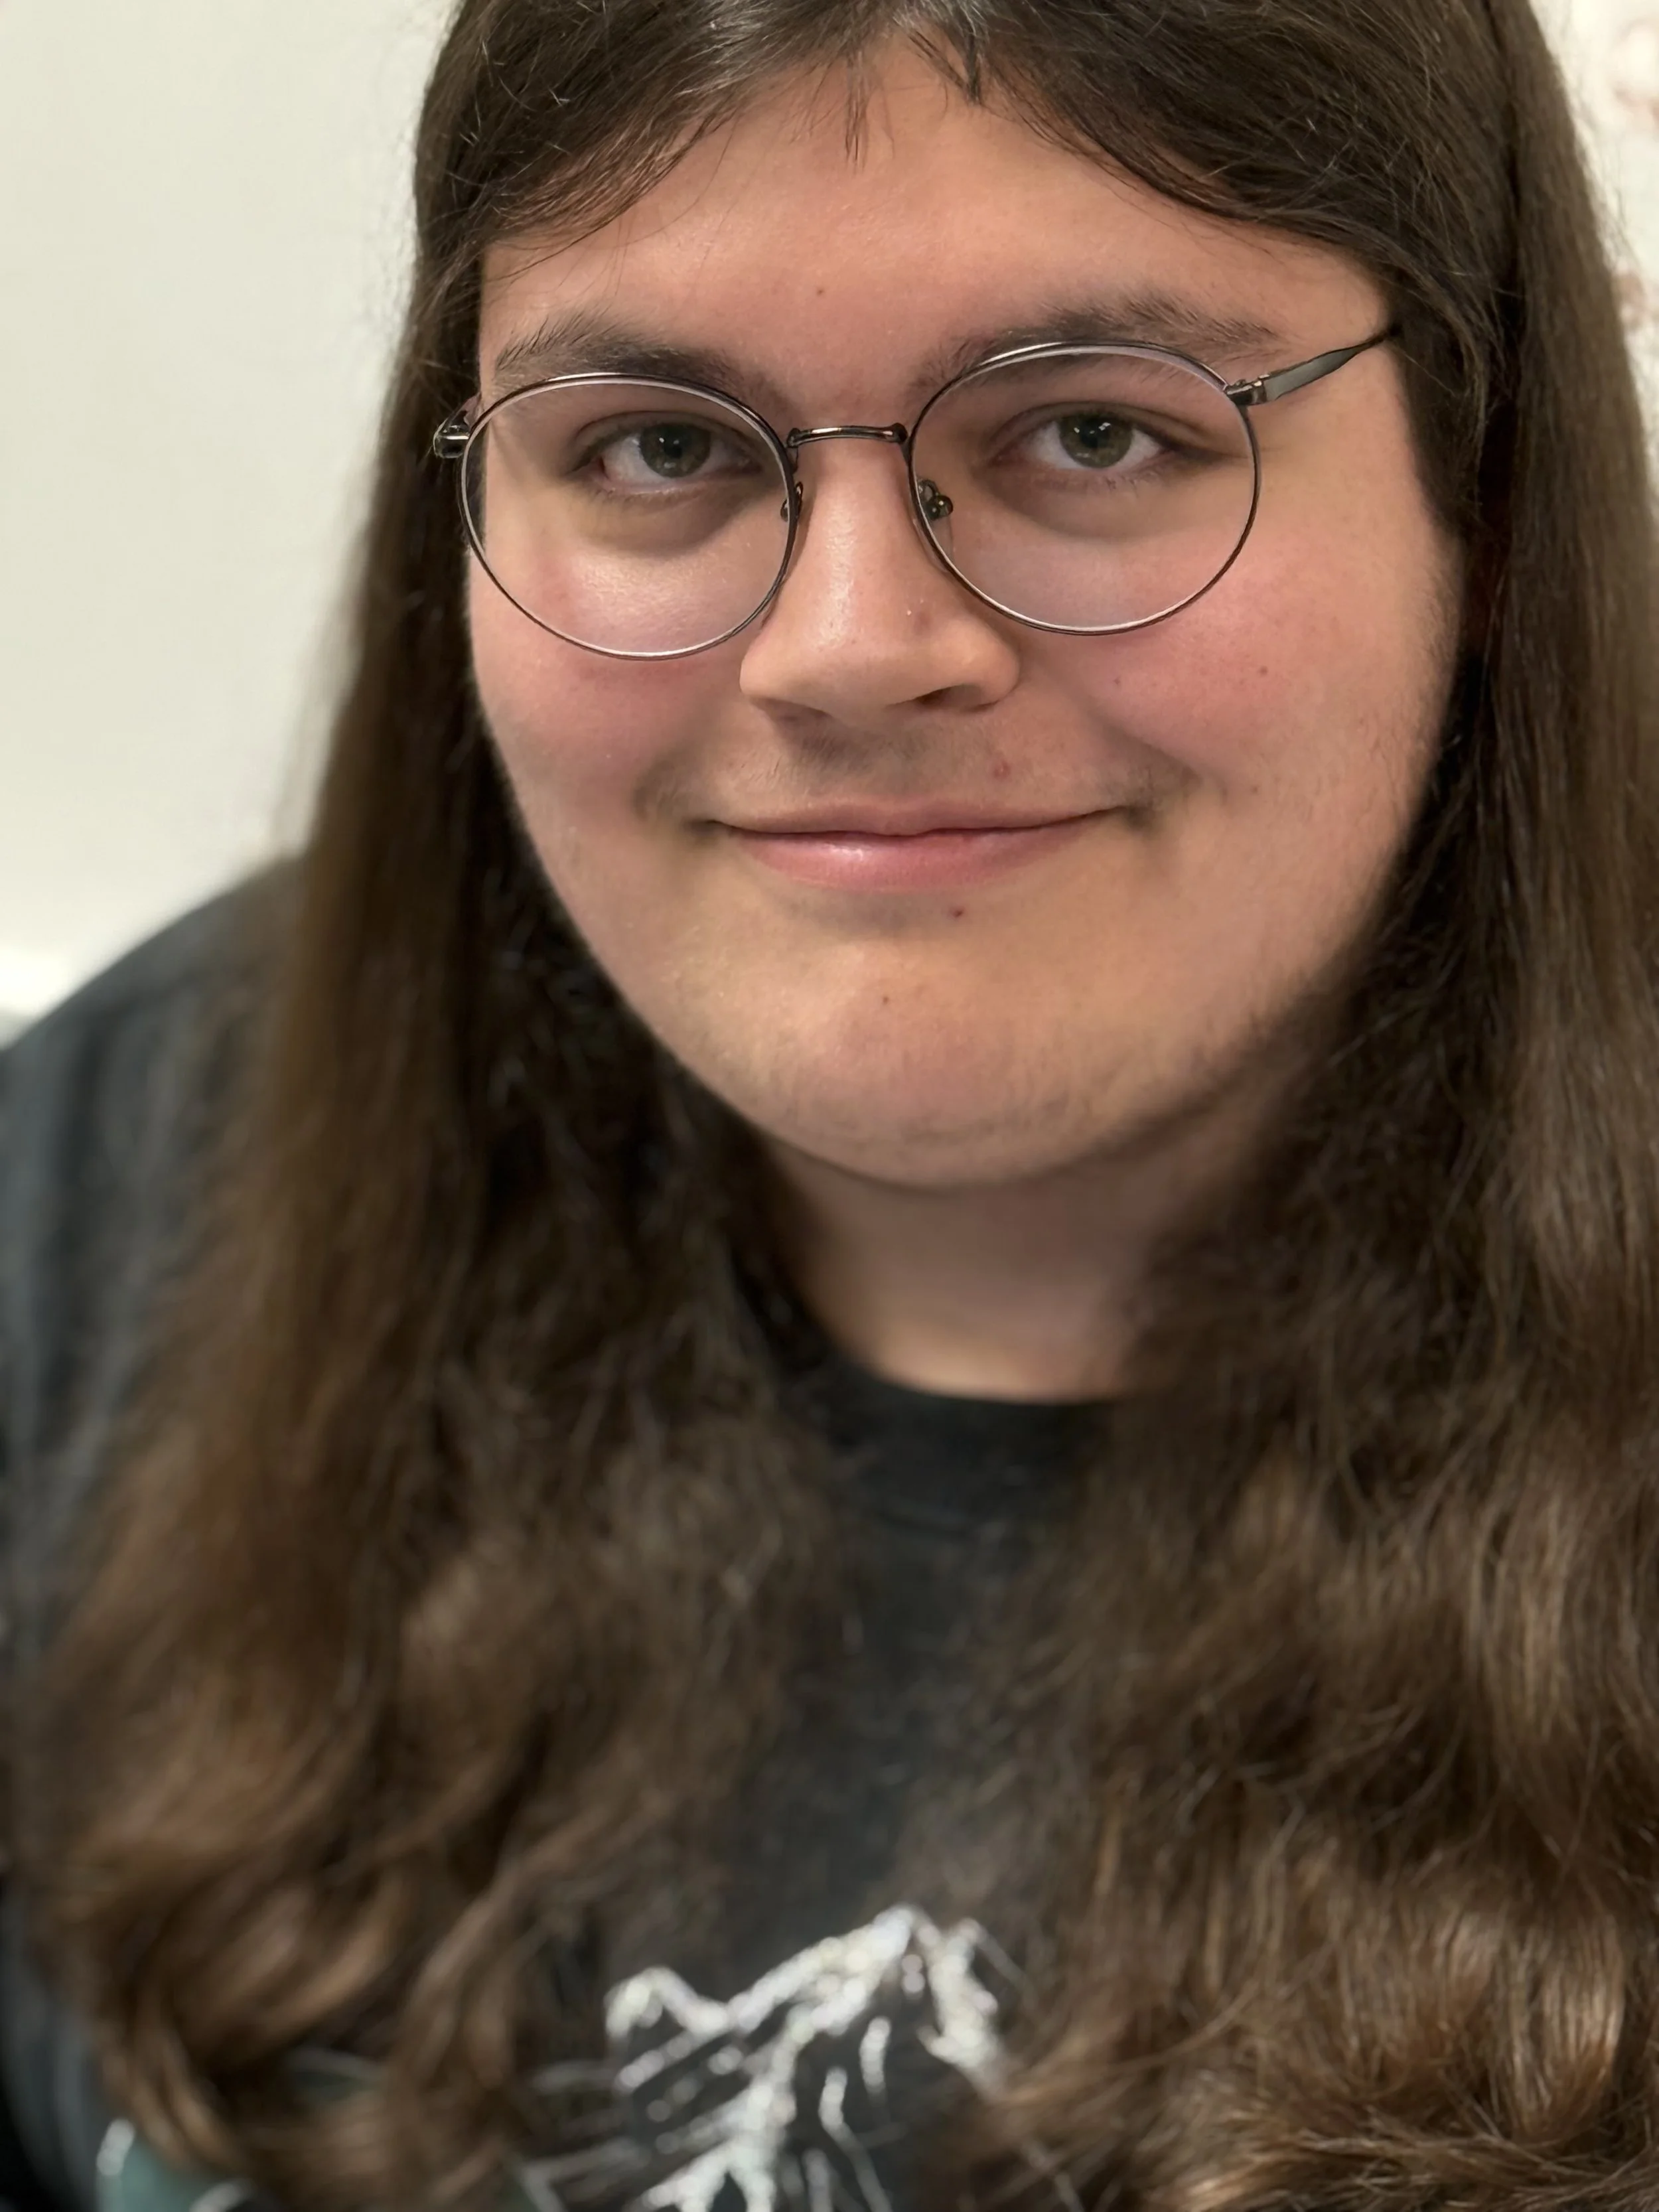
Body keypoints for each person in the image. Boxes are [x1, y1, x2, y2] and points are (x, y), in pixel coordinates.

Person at [3, 0, 1657, 2207]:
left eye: (1090, 429)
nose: (849, 649)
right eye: (662, 450)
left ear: (1487, 476)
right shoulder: (135, 1168)